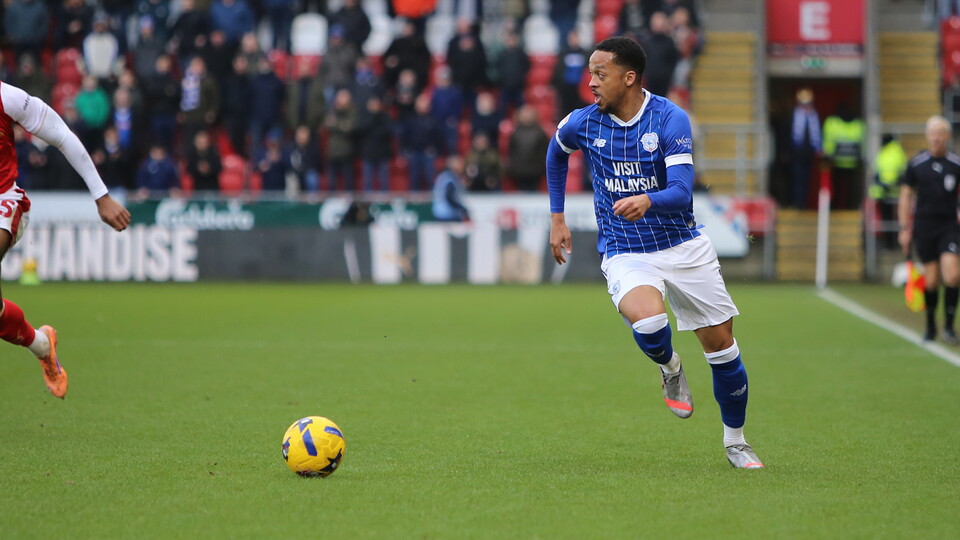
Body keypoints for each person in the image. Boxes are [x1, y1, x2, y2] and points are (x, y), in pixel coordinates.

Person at [546, 36, 763, 469]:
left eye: (600, 74)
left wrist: (648, 199)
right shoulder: (584, 122)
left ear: (629, 78)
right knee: (649, 323)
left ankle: (736, 441)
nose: (591, 83)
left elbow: (682, 193)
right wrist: (557, 217)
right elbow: (557, 153)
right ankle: (670, 367)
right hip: (627, 250)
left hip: (683, 246)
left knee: (722, 349)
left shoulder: (669, 119)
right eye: (590, 73)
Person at [0, 81, 131, 399]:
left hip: (3, 200)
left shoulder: (8, 98)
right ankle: (41, 344)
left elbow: (61, 135)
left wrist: (101, 196)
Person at [897, 115, 960, 344]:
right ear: (927, 135)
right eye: (932, 133)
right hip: (924, 226)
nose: (936, 137)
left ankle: (950, 327)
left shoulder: (956, 163)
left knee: (952, 275)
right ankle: (931, 324)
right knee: (931, 280)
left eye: (940, 133)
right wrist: (905, 228)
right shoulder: (916, 164)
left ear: (947, 136)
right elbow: (905, 195)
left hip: (949, 227)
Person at [432, 156, 470, 222]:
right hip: (448, 214)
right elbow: (449, 196)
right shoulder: (450, 178)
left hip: (439, 213)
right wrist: (461, 208)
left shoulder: (443, 175)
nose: (462, 166)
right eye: (460, 164)